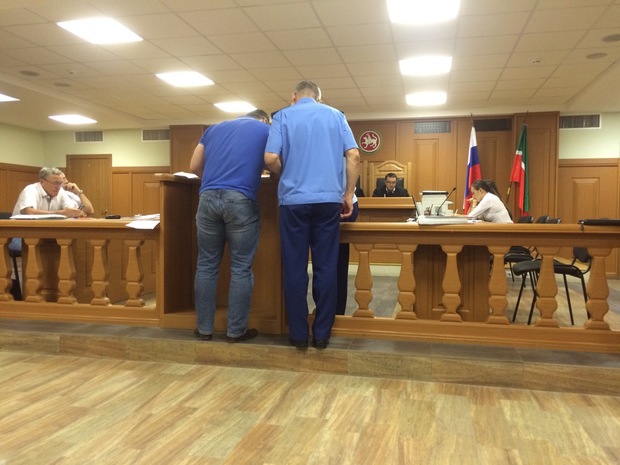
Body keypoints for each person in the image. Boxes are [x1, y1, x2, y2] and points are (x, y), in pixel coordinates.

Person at [264, 80, 360, 350]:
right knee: (326, 267)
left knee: (295, 268)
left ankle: (297, 334)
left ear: (293, 96)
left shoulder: (282, 116)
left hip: (293, 202)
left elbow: (270, 158)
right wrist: (348, 194)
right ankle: (321, 334)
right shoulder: (336, 115)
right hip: (328, 201)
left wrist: (287, 172)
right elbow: (353, 155)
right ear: (319, 98)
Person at [189, 109, 271, 343]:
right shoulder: (266, 130)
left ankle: (204, 329)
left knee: (206, 266)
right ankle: (236, 331)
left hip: (207, 199)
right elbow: (273, 161)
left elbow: (194, 166)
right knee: (241, 268)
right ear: (264, 119)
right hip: (240, 199)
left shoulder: (213, 129)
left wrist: (214, 183)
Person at [12, 167, 83, 218]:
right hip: (21, 231)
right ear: (42, 182)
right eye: (55, 183)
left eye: (60, 183)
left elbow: (71, 210)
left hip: (45, 230)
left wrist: (75, 212)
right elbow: (30, 212)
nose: (58, 187)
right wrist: (61, 213)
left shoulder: (60, 191)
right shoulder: (30, 190)